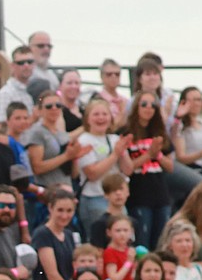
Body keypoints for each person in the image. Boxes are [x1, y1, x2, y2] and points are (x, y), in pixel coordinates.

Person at [121, 91, 174, 251]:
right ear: (136, 106)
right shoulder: (125, 132)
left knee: (161, 244)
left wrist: (157, 154)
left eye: (153, 105)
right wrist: (148, 155)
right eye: (144, 104)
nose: (148, 108)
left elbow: (170, 166)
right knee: (142, 246)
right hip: (138, 195)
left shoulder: (160, 133)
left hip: (161, 194)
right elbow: (127, 168)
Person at [26, 92, 83, 220]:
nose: (54, 109)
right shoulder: (37, 132)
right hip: (48, 196)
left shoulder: (61, 133)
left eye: (58, 105)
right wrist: (67, 156)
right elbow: (37, 167)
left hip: (67, 193)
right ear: (40, 110)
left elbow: (73, 174)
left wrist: (75, 157)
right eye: (49, 106)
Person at [75, 95, 127, 236]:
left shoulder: (114, 139)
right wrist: (115, 155)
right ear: (87, 119)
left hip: (117, 199)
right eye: (96, 114)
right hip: (94, 197)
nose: (101, 118)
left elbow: (127, 170)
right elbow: (92, 173)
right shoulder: (84, 140)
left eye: (105, 114)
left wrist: (123, 152)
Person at [169, 87, 202, 202]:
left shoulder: (200, 122)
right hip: (192, 169)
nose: (196, 103)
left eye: (198, 99)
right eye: (192, 100)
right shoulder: (180, 125)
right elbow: (180, 157)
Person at [0, 46, 37, 123]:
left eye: (30, 62)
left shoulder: (33, 89)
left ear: (34, 64)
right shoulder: (6, 94)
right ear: (12, 66)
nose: (26, 66)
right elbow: (1, 125)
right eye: (21, 63)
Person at [88, 172, 130, 249]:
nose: (118, 193)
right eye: (113, 190)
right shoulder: (99, 224)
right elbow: (97, 252)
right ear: (106, 195)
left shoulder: (132, 222)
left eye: (121, 189)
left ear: (128, 192)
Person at [92, 59, 128, 127]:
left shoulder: (125, 100)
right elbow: (108, 127)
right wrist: (122, 112)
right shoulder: (97, 100)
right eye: (109, 74)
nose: (113, 77)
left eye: (117, 74)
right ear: (101, 76)